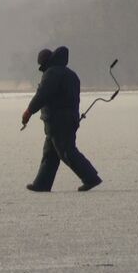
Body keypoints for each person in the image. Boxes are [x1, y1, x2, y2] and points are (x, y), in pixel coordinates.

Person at [22, 46, 102, 192]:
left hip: (58, 121)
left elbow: (42, 95)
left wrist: (29, 111)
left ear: (45, 62)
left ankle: (91, 177)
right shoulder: (70, 74)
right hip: (69, 119)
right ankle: (42, 184)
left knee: (67, 151)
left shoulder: (52, 74)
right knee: (50, 154)